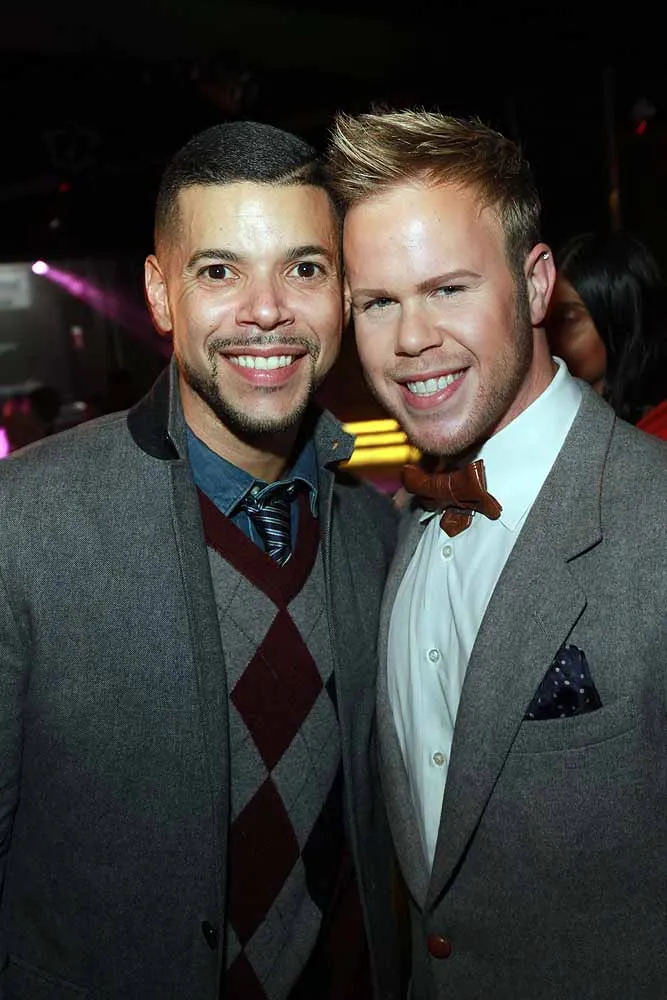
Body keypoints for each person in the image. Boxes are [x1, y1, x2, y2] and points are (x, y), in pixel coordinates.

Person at [0, 121, 403, 1000]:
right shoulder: (21, 526)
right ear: (159, 292)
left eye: (304, 269)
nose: (267, 311)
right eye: (220, 271)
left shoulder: (379, 539)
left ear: (342, 292)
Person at [325, 108, 667, 1000]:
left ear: (536, 281)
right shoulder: (391, 529)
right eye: (377, 303)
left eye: (447, 289)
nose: (410, 339)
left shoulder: (652, 520)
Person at [546, 228, 667, 436]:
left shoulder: (658, 435)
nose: (547, 337)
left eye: (568, 320)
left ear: (620, 321)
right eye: (544, 321)